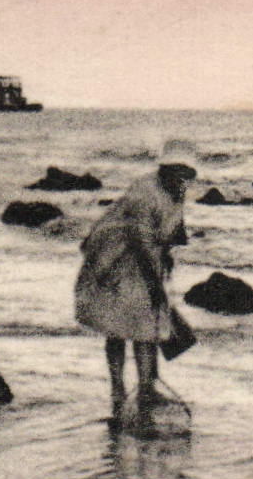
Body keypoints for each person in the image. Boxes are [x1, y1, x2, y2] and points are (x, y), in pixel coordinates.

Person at [74, 140, 196, 432]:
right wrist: (154, 285)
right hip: (114, 258)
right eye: (177, 170)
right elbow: (140, 241)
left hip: (143, 255)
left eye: (186, 172)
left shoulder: (176, 190)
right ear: (164, 167)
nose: (182, 177)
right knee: (118, 326)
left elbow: (170, 228)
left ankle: (145, 389)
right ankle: (119, 390)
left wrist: (167, 251)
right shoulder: (144, 191)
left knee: (145, 326)